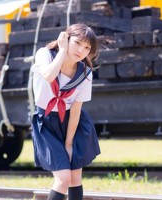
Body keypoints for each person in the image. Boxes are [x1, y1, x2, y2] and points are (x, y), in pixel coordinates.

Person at [30, 23, 101, 200]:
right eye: (77, 43)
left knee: (75, 177)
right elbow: (48, 75)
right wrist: (62, 52)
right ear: (65, 38)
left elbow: (76, 110)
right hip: (47, 122)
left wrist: (69, 143)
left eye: (87, 47)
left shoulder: (85, 72)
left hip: (73, 123)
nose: (81, 51)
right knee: (62, 178)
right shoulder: (44, 54)